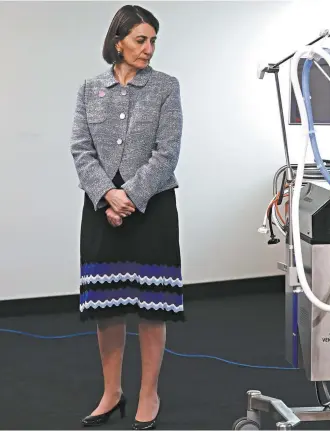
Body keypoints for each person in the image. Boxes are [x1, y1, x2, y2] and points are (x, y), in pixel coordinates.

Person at [70, 5, 183, 430]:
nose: (149, 48)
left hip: (152, 206)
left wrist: (130, 198)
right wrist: (107, 195)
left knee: (152, 306)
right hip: (100, 207)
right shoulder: (89, 89)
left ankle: (149, 393)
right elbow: (81, 149)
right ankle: (112, 392)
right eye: (141, 40)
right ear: (118, 41)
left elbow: (167, 151)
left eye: (153, 40)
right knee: (107, 305)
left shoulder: (166, 88)